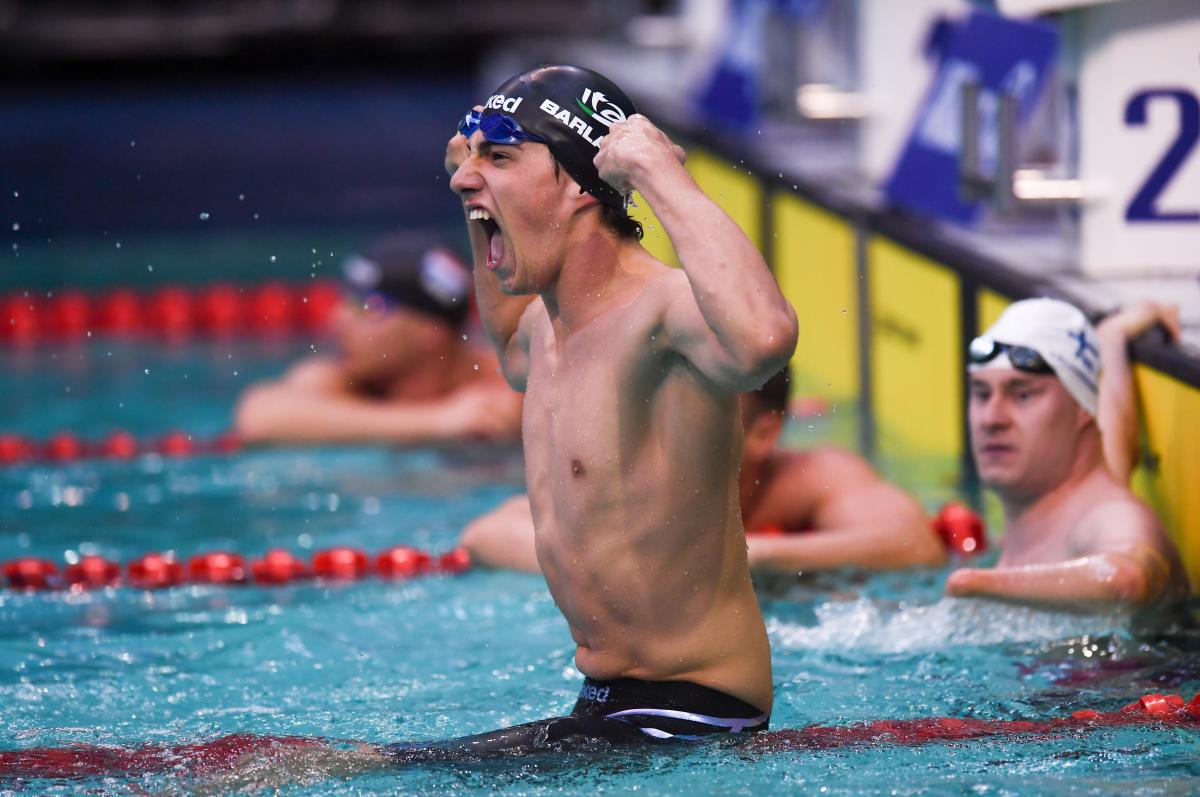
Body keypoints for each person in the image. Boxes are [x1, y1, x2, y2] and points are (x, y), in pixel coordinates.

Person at [403, 61, 798, 755]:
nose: (467, 175)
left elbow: (763, 340)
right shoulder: (544, 329)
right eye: (471, 159)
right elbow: (505, 342)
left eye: (499, 156)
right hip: (609, 705)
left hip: (694, 712)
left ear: (581, 186)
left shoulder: (663, 313)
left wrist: (658, 173)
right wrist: (477, 200)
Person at [460, 368, 946, 574]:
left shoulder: (810, 478)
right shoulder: (638, 483)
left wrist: (752, 556)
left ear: (762, 433)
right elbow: (490, 533)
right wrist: (637, 567)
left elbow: (912, 543)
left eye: (701, 407)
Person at [945, 298, 1188, 613]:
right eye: (981, 393)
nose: (991, 418)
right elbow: (1113, 422)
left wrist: (975, 584)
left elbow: (1127, 578)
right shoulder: (1085, 483)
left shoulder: (1110, 517)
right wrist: (1112, 336)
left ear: (1084, 410)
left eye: (1022, 394)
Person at [234, 235, 522, 445]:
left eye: (369, 307)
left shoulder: (507, 382)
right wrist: (437, 422)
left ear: (430, 331)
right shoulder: (345, 382)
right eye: (344, 301)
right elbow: (258, 417)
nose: (337, 321)